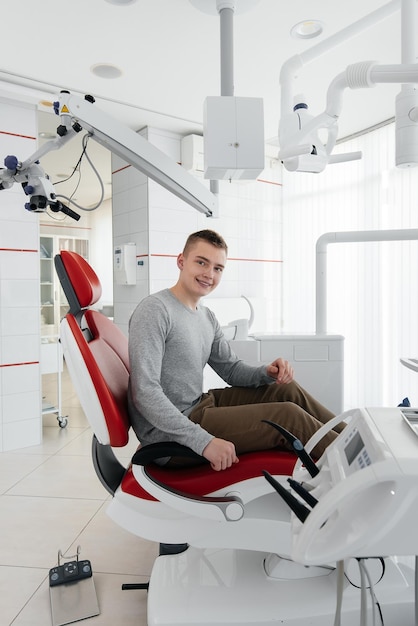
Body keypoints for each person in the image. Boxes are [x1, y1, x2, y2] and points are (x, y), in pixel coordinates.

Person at [128, 229, 343, 471]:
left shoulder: (206, 316)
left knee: (286, 390)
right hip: (169, 432)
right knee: (287, 416)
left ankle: (356, 436)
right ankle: (358, 462)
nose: (209, 274)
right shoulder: (155, 310)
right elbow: (144, 392)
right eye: (201, 262)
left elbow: (230, 370)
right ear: (181, 261)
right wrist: (204, 442)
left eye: (218, 268)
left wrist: (267, 372)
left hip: (199, 404)